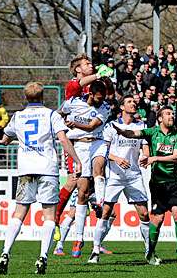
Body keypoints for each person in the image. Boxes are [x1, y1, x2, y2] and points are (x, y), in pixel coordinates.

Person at [0, 82, 81, 275]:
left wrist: (7, 140)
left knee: (19, 213)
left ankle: (5, 252)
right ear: (43, 97)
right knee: (49, 216)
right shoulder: (51, 115)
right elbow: (63, 139)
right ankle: (43, 256)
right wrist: (77, 160)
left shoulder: (18, 116)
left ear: (26, 98)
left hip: (26, 168)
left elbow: (5, 140)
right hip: (47, 169)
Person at [113, 106, 177, 265]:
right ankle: (151, 252)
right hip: (157, 184)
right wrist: (120, 131)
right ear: (160, 118)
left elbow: (175, 157)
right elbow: (133, 134)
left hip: (174, 182)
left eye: (172, 114)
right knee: (157, 219)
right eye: (168, 113)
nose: (171, 116)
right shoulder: (152, 132)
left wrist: (153, 159)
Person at [88, 95, 151, 263]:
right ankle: (95, 251)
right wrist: (116, 158)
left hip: (134, 176)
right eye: (129, 102)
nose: (134, 103)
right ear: (122, 107)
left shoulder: (141, 126)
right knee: (106, 212)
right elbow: (104, 150)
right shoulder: (111, 126)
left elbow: (145, 147)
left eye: (135, 102)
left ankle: (149, 251)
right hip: (115, 176)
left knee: (144, 214)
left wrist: (146, 156)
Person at [59, 80, 111, 258]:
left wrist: (74, 124)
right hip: (79, 147)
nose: (100, 101)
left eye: (102, 98)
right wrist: (62, 122)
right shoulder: (73, 103)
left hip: (97, 143)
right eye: (98, 97)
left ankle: (101, 200)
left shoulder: (105, 107)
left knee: (99, 169)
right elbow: (58, 114)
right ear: (90, 94)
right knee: (82, 192)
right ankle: (79, 238)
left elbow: (92, 126)